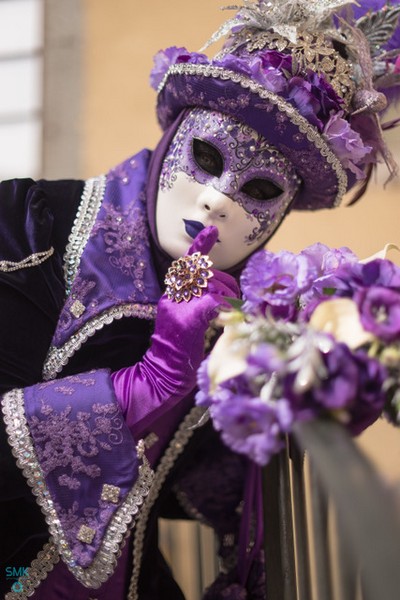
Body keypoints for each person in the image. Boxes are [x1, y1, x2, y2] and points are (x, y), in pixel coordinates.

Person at [1, 0, 400, 598]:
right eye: (206, 158)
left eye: (259, 190)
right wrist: (145, 386)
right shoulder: (27, 230)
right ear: (170, 141)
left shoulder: (224, 309)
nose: (217, 201)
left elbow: (165, 485)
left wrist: (319, 399)